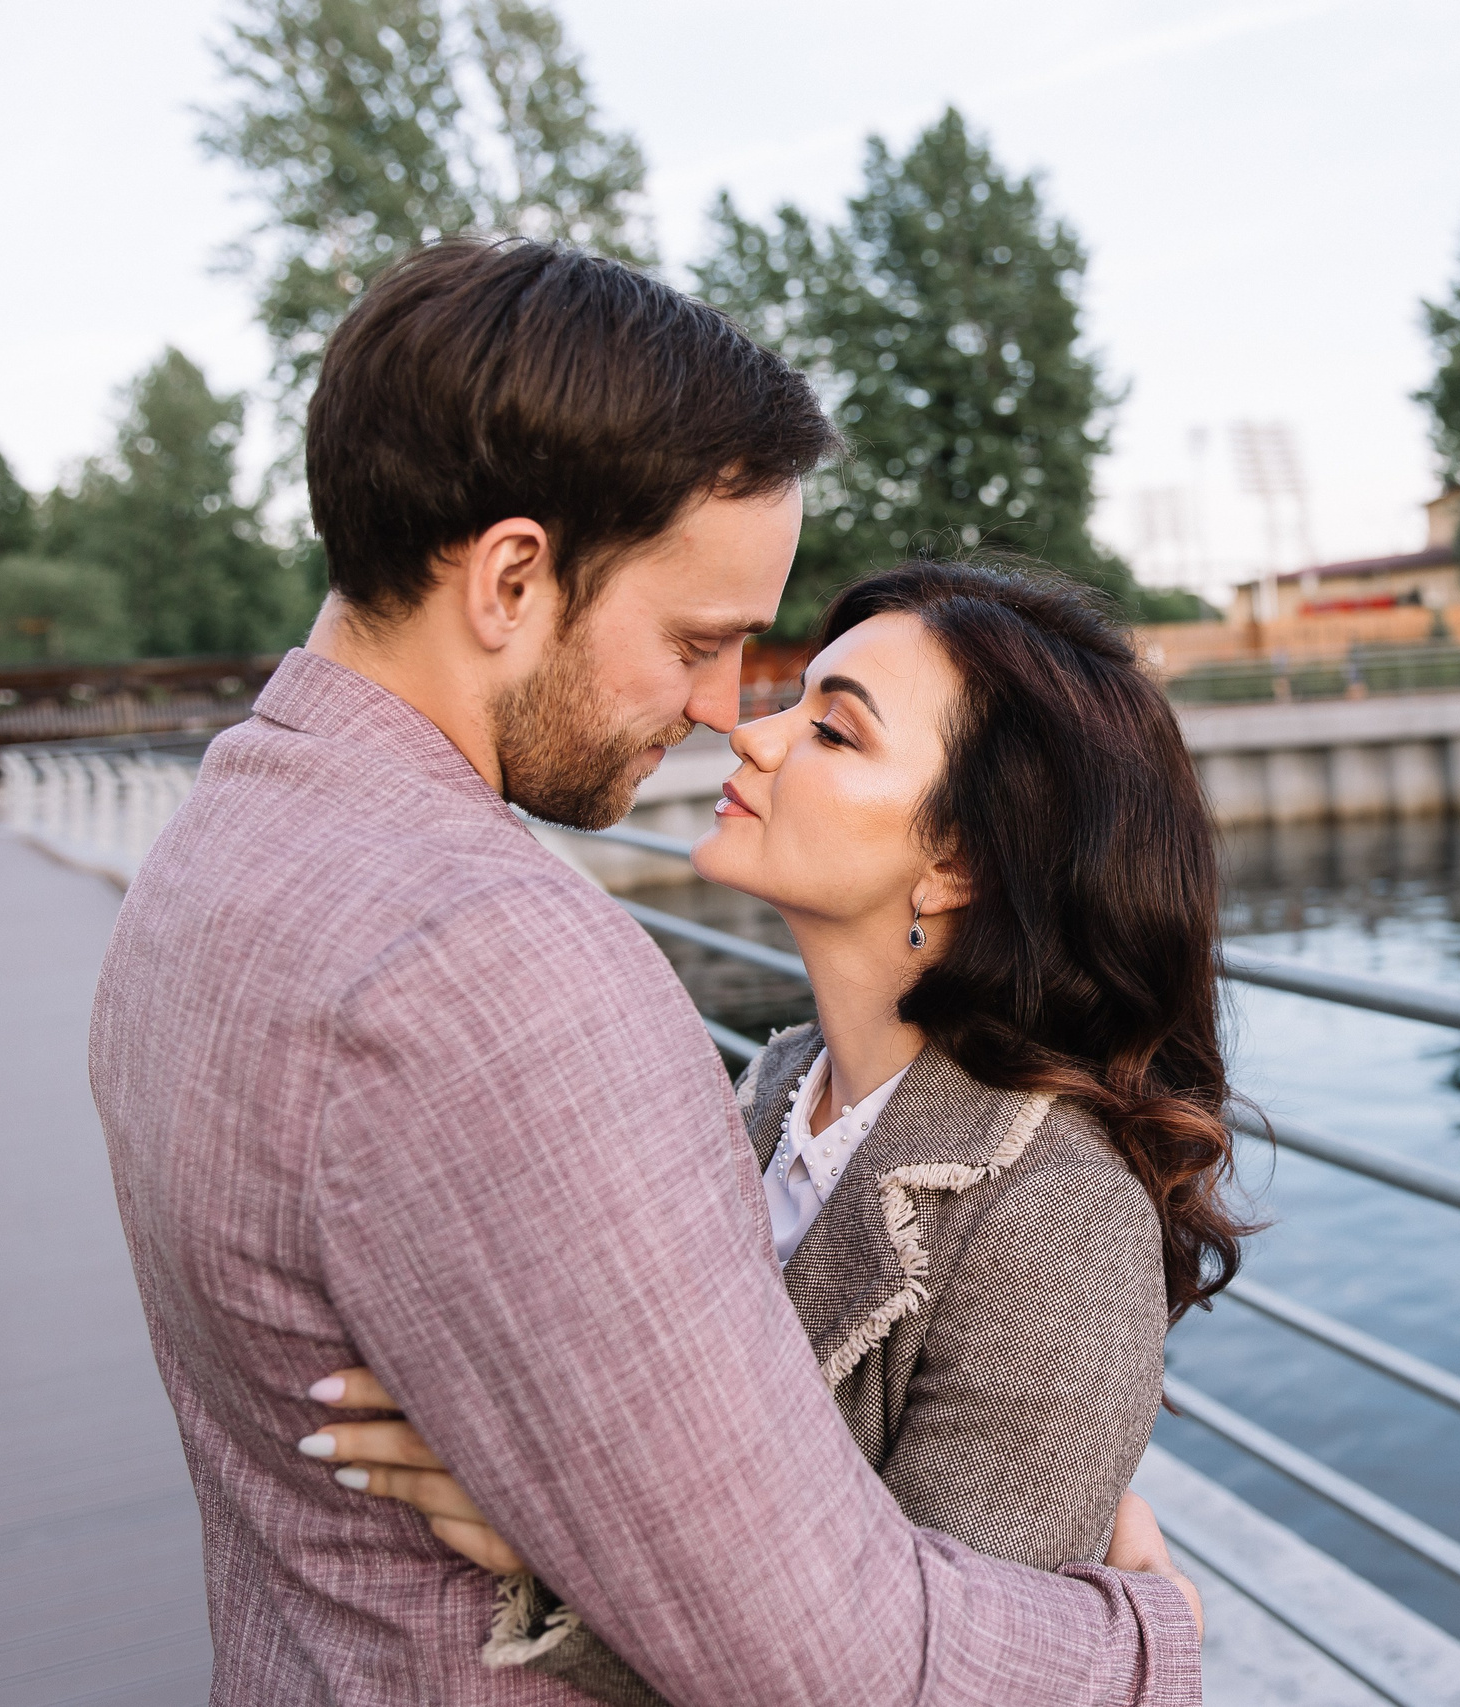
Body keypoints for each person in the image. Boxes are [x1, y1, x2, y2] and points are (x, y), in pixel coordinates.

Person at [89, 237, 1202, 1706]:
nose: (720, 711)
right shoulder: (503, 968)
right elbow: (827, 1654)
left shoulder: (216, 853)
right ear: (511, 577)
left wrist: (572, 1541)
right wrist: (1145, 1638)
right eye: (698, 640)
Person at [300, 561, 1254, 1705]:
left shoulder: (1056, 1212)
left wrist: (553, 1547)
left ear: (955, 863)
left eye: (833, 732)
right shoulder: (775, 1088)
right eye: (792, 701)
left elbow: (929, 1677)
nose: (752, 736)